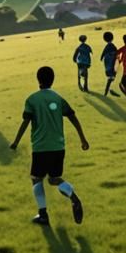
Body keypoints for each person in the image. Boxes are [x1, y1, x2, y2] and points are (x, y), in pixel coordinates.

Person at [10, 66, 89, 226]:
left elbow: (26, 122)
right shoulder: (58, 98)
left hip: (40, 147)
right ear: (52, 80)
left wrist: (16, 142)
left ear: (38, 80)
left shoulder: (32, 99)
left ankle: (43, 215)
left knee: (36, 179)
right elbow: (73, 117)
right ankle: (72, 195)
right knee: (53, 179)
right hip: (58, 147)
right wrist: (83, 139)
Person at [101, 31, 118, 97]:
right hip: (112, 61)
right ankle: (107, 90)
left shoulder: (107, 46)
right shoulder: (112, 46)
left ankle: (108, 90)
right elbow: (116, 52)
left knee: (110, 76)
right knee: (111, 76)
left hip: (107, 61)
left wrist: (101, 57)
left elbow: (103, 53)